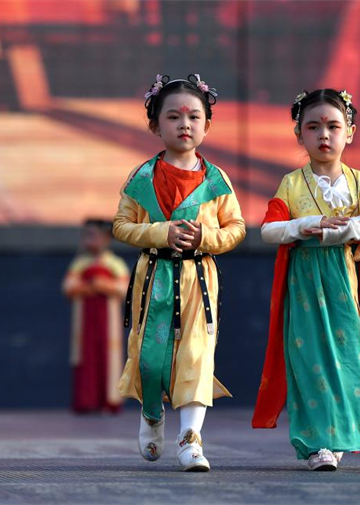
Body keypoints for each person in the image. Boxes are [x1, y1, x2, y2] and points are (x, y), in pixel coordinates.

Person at [252, 89, 360, 471]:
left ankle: (340, 439)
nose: (324, 135)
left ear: (349, 132)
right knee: (309, 361)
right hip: (304, 286)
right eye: (313, 126)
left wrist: (341, 230)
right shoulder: (292, 184)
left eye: (333, 126)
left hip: (345, 286)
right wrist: (308, 225)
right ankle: (318, 443)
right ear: (299, 134)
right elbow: (270, 231)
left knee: (349, 359)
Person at [113, 74, 246, 471]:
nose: (184, 125)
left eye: (194, 117)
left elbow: (236, 228)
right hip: (153, 277)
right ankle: (152, 413)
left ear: (207, 124)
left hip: (198, 282)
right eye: (173, 117)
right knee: (151, 358)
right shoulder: (141, 179)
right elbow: (121, 226)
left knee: (196, 355)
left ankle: (191, 439)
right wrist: (160, 232)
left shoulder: (217, 180)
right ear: (155, 125)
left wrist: (204, 237)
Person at [62, 218, 129, 414]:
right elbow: (68, 287)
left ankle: (108, 402)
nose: (89, 239)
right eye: (86, 235)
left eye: (93, 235)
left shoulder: (115, 264)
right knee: (86, 357)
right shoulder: (79, 263)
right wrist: (88, 287)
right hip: (85, 321)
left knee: (107, 356)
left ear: (106, 238)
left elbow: (125, 288)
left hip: (107, 321)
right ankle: (86, 401)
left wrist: (104, 285)